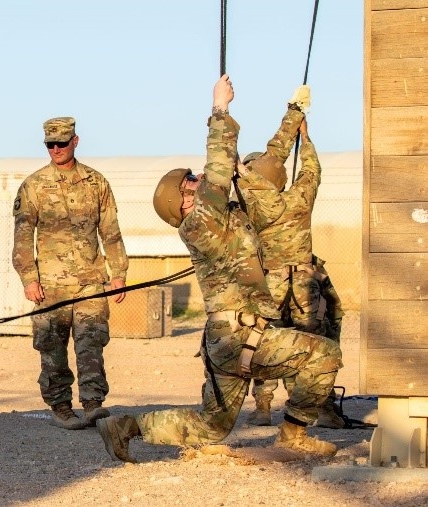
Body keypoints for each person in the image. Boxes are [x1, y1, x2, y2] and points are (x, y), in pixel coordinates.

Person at [97, 75, 342, 463]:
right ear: (184, 199)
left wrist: (294, 118)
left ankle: (126, 428)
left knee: (212, 426)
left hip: (230, 338)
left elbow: (264, 165)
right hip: (239, 334)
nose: (200, 179)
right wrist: (220, 109)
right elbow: (220, 164)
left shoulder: (220, 218)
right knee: (324, 354)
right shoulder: (198, 222)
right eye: (191, 181)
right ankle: (294, 434)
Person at [237, 89, 346, 429]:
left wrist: (291, 116)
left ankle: (263, 406)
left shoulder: (252, 203)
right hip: (304, 285)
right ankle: (322, 408)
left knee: (264, 339)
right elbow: (312, 168)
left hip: (268, 281)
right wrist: (304, 136)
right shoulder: (301, 198)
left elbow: (270, 155)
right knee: (315, 341)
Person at [12, 117, 129, 430]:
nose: (55, 149)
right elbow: (23, 236)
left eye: (61, 143)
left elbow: (111, 230)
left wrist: (118, 273)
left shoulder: (96, 182)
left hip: (91, 282)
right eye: (49, 144)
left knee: (91, 342)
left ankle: (92, 403)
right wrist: (29, 278)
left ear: (75, 141)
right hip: (50, 285)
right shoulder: (34, 185)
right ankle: (61, 405)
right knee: (52, 345)